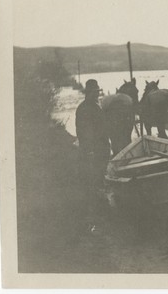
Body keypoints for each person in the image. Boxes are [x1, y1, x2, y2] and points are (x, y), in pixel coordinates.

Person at [75, 79, 110, 231]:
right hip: (94, 149)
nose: (96, 94)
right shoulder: (85, 108)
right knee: (94, 177)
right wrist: (89, 150)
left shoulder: (93, 106)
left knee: (99, 174)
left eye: (97, 92)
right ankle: (96, 211)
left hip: (100, 148)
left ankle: (100, 205)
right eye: (94, 92)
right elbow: (84, 132)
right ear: (88, 93)